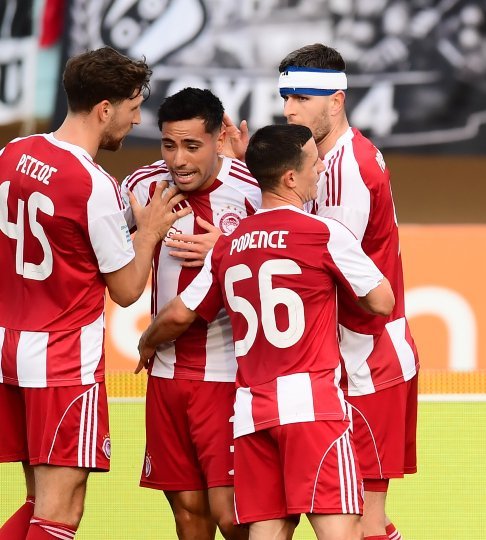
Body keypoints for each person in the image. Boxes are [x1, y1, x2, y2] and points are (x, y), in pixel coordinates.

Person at [137, 123, 395, 540]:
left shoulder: (229, 243)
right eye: (314, 163)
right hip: (313, 409)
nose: (321, 169)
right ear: (291, 177)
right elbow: (382, 301)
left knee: (266, 532)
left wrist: (146, 342)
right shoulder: (323, 233)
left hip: (251, 413)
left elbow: (179, 314)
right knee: (341, 529)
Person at [224, 43, 418, 540]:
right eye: (286, 97)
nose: (289, 110)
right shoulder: (326, 162)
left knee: (363, 519)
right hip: (343, 364)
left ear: (336, 100)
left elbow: (321, 271)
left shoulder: (347, 171)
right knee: (350, 519)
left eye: (302, 98)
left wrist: (233, 246)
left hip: (368, 361)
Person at [0, 46, 190, 539]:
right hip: (63, 360)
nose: (137, 119)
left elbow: (64, 231)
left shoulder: (13, 152)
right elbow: (126, 290)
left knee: (38, 502)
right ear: (105, 109)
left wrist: (123, 223)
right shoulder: (93, 183)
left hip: (10, 348)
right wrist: (149, 232)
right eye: (133, 107)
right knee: (60, 512)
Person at [122, 87, 261, 540]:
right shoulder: (144, 186)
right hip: (166, 377)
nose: (178, 160)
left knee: (234, 518)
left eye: (191, 146)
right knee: (187, 515)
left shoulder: (252, 189)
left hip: (228, 377)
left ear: (219, 139)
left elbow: (293, 254)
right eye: (169, 144)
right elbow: (95, 244)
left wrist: (230, 249)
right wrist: (143, 234)